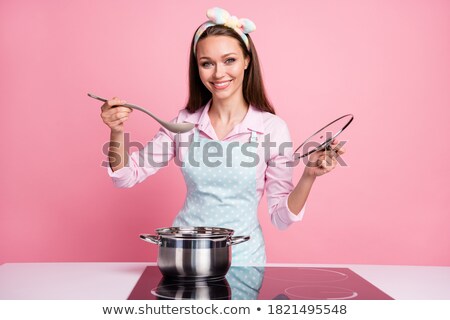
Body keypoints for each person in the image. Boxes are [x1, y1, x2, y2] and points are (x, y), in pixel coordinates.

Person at [99, 7, 345, 265]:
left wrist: (308, 176)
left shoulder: (272, 129)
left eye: (229, 60)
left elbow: (281, 218)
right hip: (184, 258)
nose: (218, 74)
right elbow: (126, 176)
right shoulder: (184, 123)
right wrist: (117, 130)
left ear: (247, 61)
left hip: (245, 262)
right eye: (207, 63)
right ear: (198, 68)